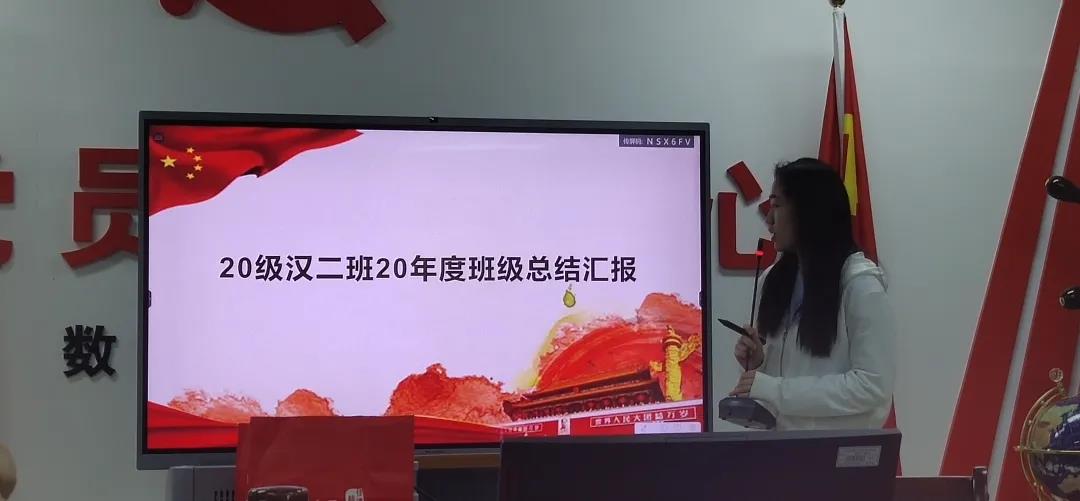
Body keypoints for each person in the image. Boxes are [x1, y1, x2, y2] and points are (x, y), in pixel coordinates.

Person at [730, 157, 896, 431]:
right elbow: (785, 382)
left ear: (809, 212)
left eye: (777, 206)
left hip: (836, 451)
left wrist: (776, 389)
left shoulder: (861, 286)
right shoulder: (773, 279)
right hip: (780, 448)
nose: (768, 220)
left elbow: (872, 386)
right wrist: (759, 363)